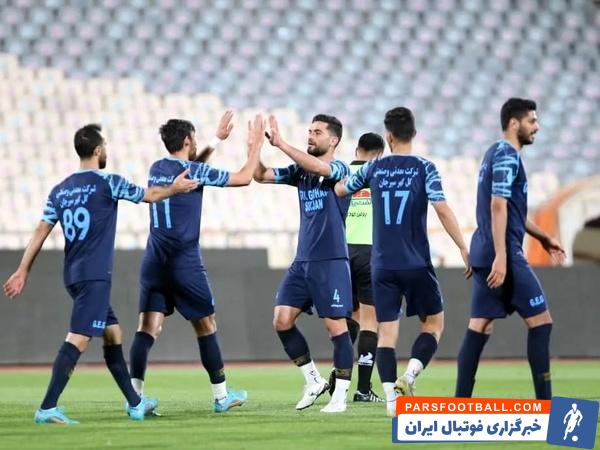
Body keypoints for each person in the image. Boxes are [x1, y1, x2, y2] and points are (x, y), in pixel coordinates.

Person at [3, 124, 198, 424]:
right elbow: (148, 195)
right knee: (79, 338)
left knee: (112, 334)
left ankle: (135, 403)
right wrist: (174, 188)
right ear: (97, 150)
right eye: (104, 146)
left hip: (73, 274)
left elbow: (42, 230)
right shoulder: (108, 182)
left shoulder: (60, 190)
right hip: (94, 275)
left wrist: (22, 270)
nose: (106, 150)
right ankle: (47, 407)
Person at [335, 107, 471, 416]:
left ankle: (392, 403)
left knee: (386, 333)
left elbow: (341, 189)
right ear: (414, 134)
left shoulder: (373, 168)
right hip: (416, 262)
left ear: (389, 136)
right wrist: (463, 247)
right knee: (434, 324)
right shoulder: (425, 167)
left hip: (382, 264)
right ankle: (408, 376)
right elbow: (442, 208)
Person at [129, 113, 265, 413]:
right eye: (196, 139)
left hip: (154, 260)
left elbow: (192, 168)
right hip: (184, 262)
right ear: (188, 140)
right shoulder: (194, 170)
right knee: (206, 326)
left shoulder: (157, 168)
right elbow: (244, 178)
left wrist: (216, 140)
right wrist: (256, 145)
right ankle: (221, 396)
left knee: (147, 328)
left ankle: (135, 400)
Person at [455, 98, 566, 400]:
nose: (537, 127)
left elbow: (512, 210)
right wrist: (502, 257)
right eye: (532, 121)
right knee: (541, 323)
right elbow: (497, 205)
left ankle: (460, 403)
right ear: (514, 123)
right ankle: (545, 405)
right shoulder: (508, 155)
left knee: (480, 326)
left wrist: (543, 237)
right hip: (502, 252)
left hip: (484, 248)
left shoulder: (492, 152)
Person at [254, 114, 353, 413]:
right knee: (282, 320)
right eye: (309, 131)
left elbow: (321, 168)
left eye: (317, 132)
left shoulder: (340, 169)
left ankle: (340, 397)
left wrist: (282, 144)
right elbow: (261, 175)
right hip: (303, 260)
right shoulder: (300, 172)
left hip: (330, 260)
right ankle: (313, 380)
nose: (310, 135)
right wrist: (254, 147)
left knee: (335, 327)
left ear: (333, 140)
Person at [330, 133, 385, 403]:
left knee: (348, 318)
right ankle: (363, 389)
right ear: (380, 154)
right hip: (369, 251)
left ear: (356, 150)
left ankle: (339, 374)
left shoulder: (340, 173)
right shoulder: (380, 176)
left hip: (342, 252)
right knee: (370, 321)